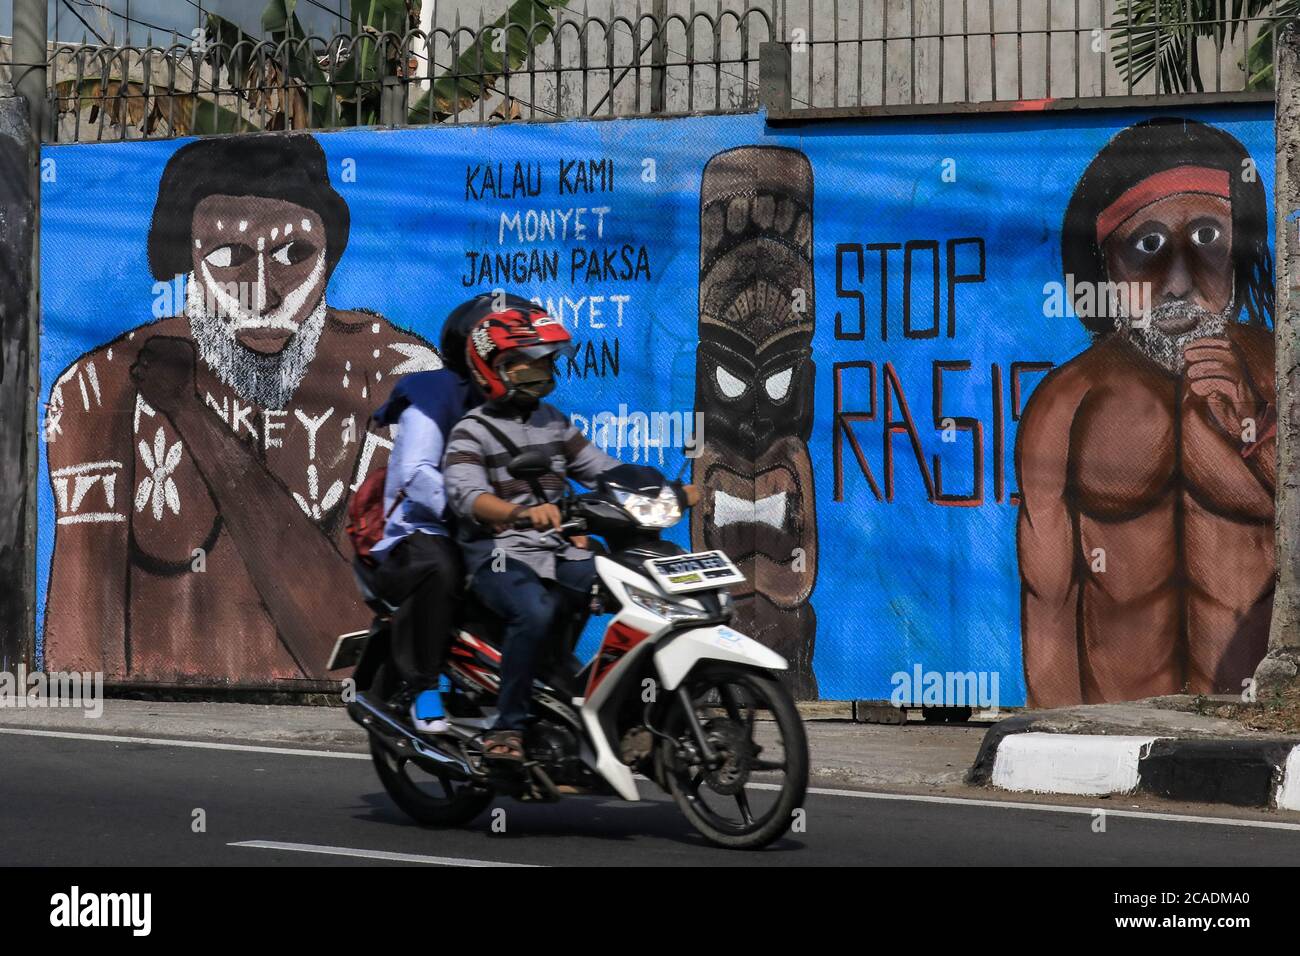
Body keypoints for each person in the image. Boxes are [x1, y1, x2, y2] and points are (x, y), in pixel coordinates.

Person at [43, 134, 441, 684]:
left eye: (293, 255)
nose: (263, 292)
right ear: (190, 266)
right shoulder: (99, 387)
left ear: (328, 258)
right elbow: (79, 659)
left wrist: (191, 416)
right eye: (229, 257)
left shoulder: (396, 379)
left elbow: (350, 652)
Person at [1017, 118, 1276, 706]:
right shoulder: (1068, 403)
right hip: (1114, 724)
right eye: (1148, 246)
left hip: (1259, 720)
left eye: (1207, 237)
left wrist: (1255, 429)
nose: (1179, 280)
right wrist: (1061, 738)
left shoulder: (1278, 377)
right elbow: (1049, 600)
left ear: (1239, 246)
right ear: (1106, 263)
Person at [441, 294, 626, 762]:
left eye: (544, 364)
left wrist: (660, 488)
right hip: (497, 555)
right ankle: (508, 729)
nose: (543, 373)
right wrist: (518, 514)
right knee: (535, 612)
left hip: (554, 551)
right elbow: (467, 496)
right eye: (529, 366)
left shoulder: (554, 423)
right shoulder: (472, 430)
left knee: (623, 580)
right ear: (493, 369)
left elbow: (600, 468)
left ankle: (584, 692)